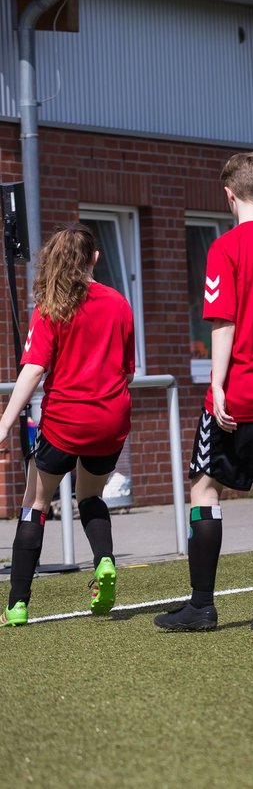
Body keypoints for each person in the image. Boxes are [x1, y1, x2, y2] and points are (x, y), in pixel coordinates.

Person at [154, 150, 253, 632]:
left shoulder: (225, 248)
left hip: (241, 388)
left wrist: (217, 384)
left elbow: (222, 322)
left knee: (205, 487)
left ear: (227, 195)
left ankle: (202, 606)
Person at [0, 226, 134, 627]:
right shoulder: (120, 303)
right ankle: (105, 561)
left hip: (64, 421)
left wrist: (5, 422)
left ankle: (18, 604)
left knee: (34, 506)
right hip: (110, 420)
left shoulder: (50, 307)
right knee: (90, 497)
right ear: (95, 258)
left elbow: (33, 370)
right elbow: (128, 370)